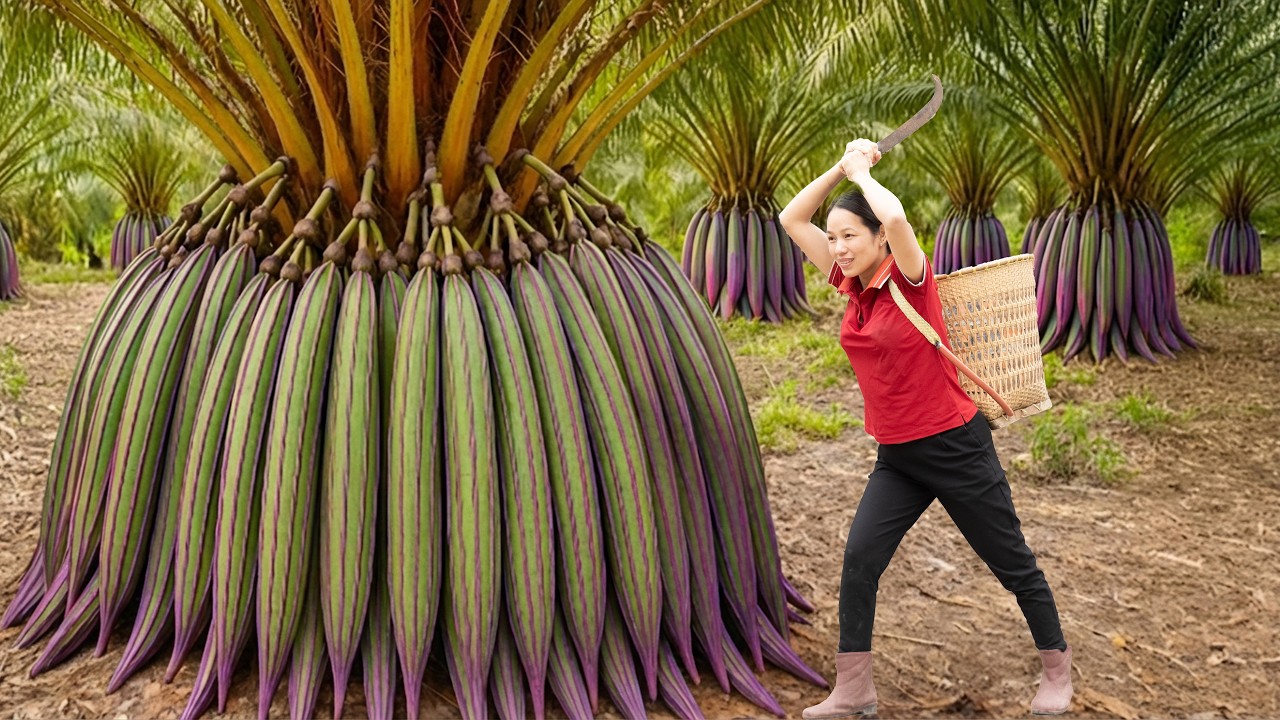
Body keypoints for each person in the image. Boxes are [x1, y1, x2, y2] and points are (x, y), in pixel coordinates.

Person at [777, 139, 1073, 718]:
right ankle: (854, 689)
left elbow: (894, 215)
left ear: (879, 242)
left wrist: (862, 176)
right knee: (861, 558)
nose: (837, 248)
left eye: (849, 237)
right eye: (833, 238)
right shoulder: (850, 285)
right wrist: (841, 167)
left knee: (1012, 562)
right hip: (898, 457)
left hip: (955, 446)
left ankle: (1057, 672)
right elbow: (792, 217)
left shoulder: (911, 279)